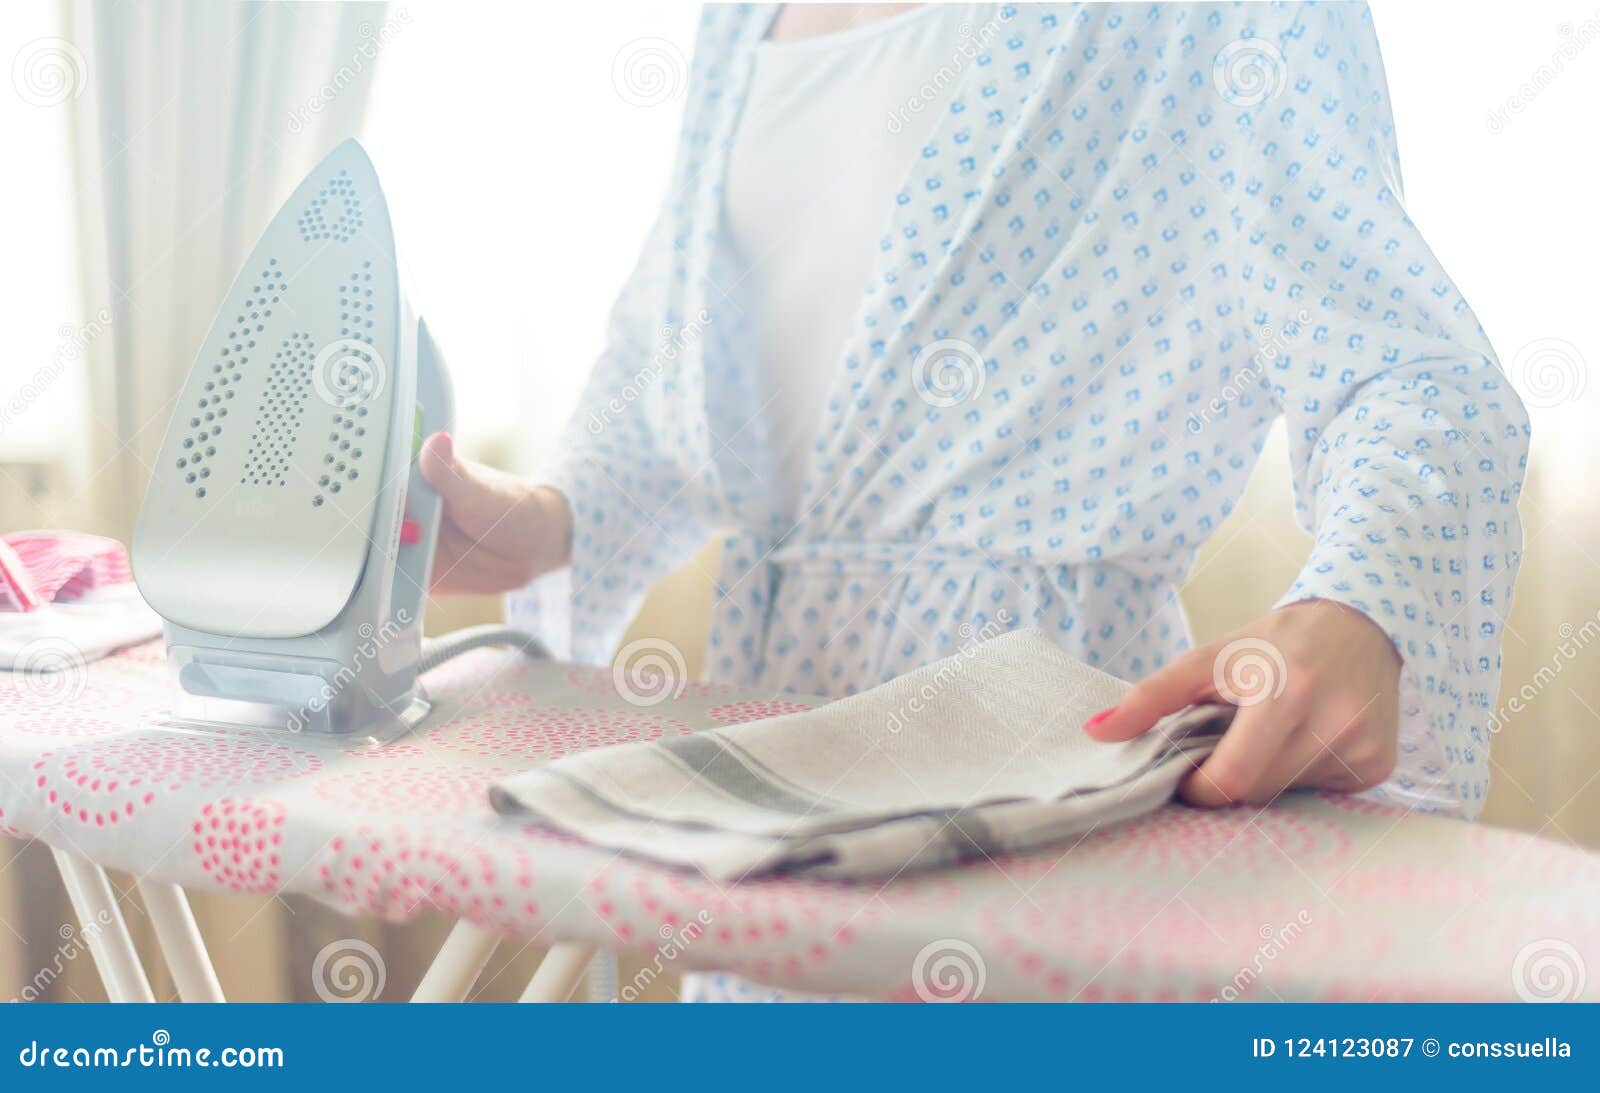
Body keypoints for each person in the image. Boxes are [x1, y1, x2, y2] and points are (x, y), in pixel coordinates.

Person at [416, 3, 1529, 999]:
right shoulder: (731, 23)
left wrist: (1361, 603)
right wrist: (549, 517)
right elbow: (673, 381)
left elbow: (1409, 372)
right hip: (766, 782)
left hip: (1046, 770)